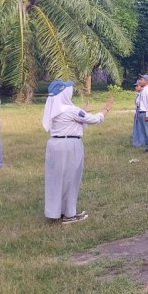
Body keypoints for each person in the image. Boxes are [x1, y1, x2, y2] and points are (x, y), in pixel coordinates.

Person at [42, 80, 113, 224]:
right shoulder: (71, 110)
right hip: (70, 145)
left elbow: (72, 119)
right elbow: (93, 120)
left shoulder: (55, 109)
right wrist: (106, 109)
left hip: (54, 144)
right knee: (71, 178)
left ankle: (56, 211)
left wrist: (82, 111)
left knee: (56, 179)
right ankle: (70, 214)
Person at [134, 74, 148, 152]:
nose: (140, 81)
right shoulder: (143, 90)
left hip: (146, 113)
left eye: (142, 79)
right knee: (144, 131)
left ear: (146, 81)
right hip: (141, 112)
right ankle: (147, 146)